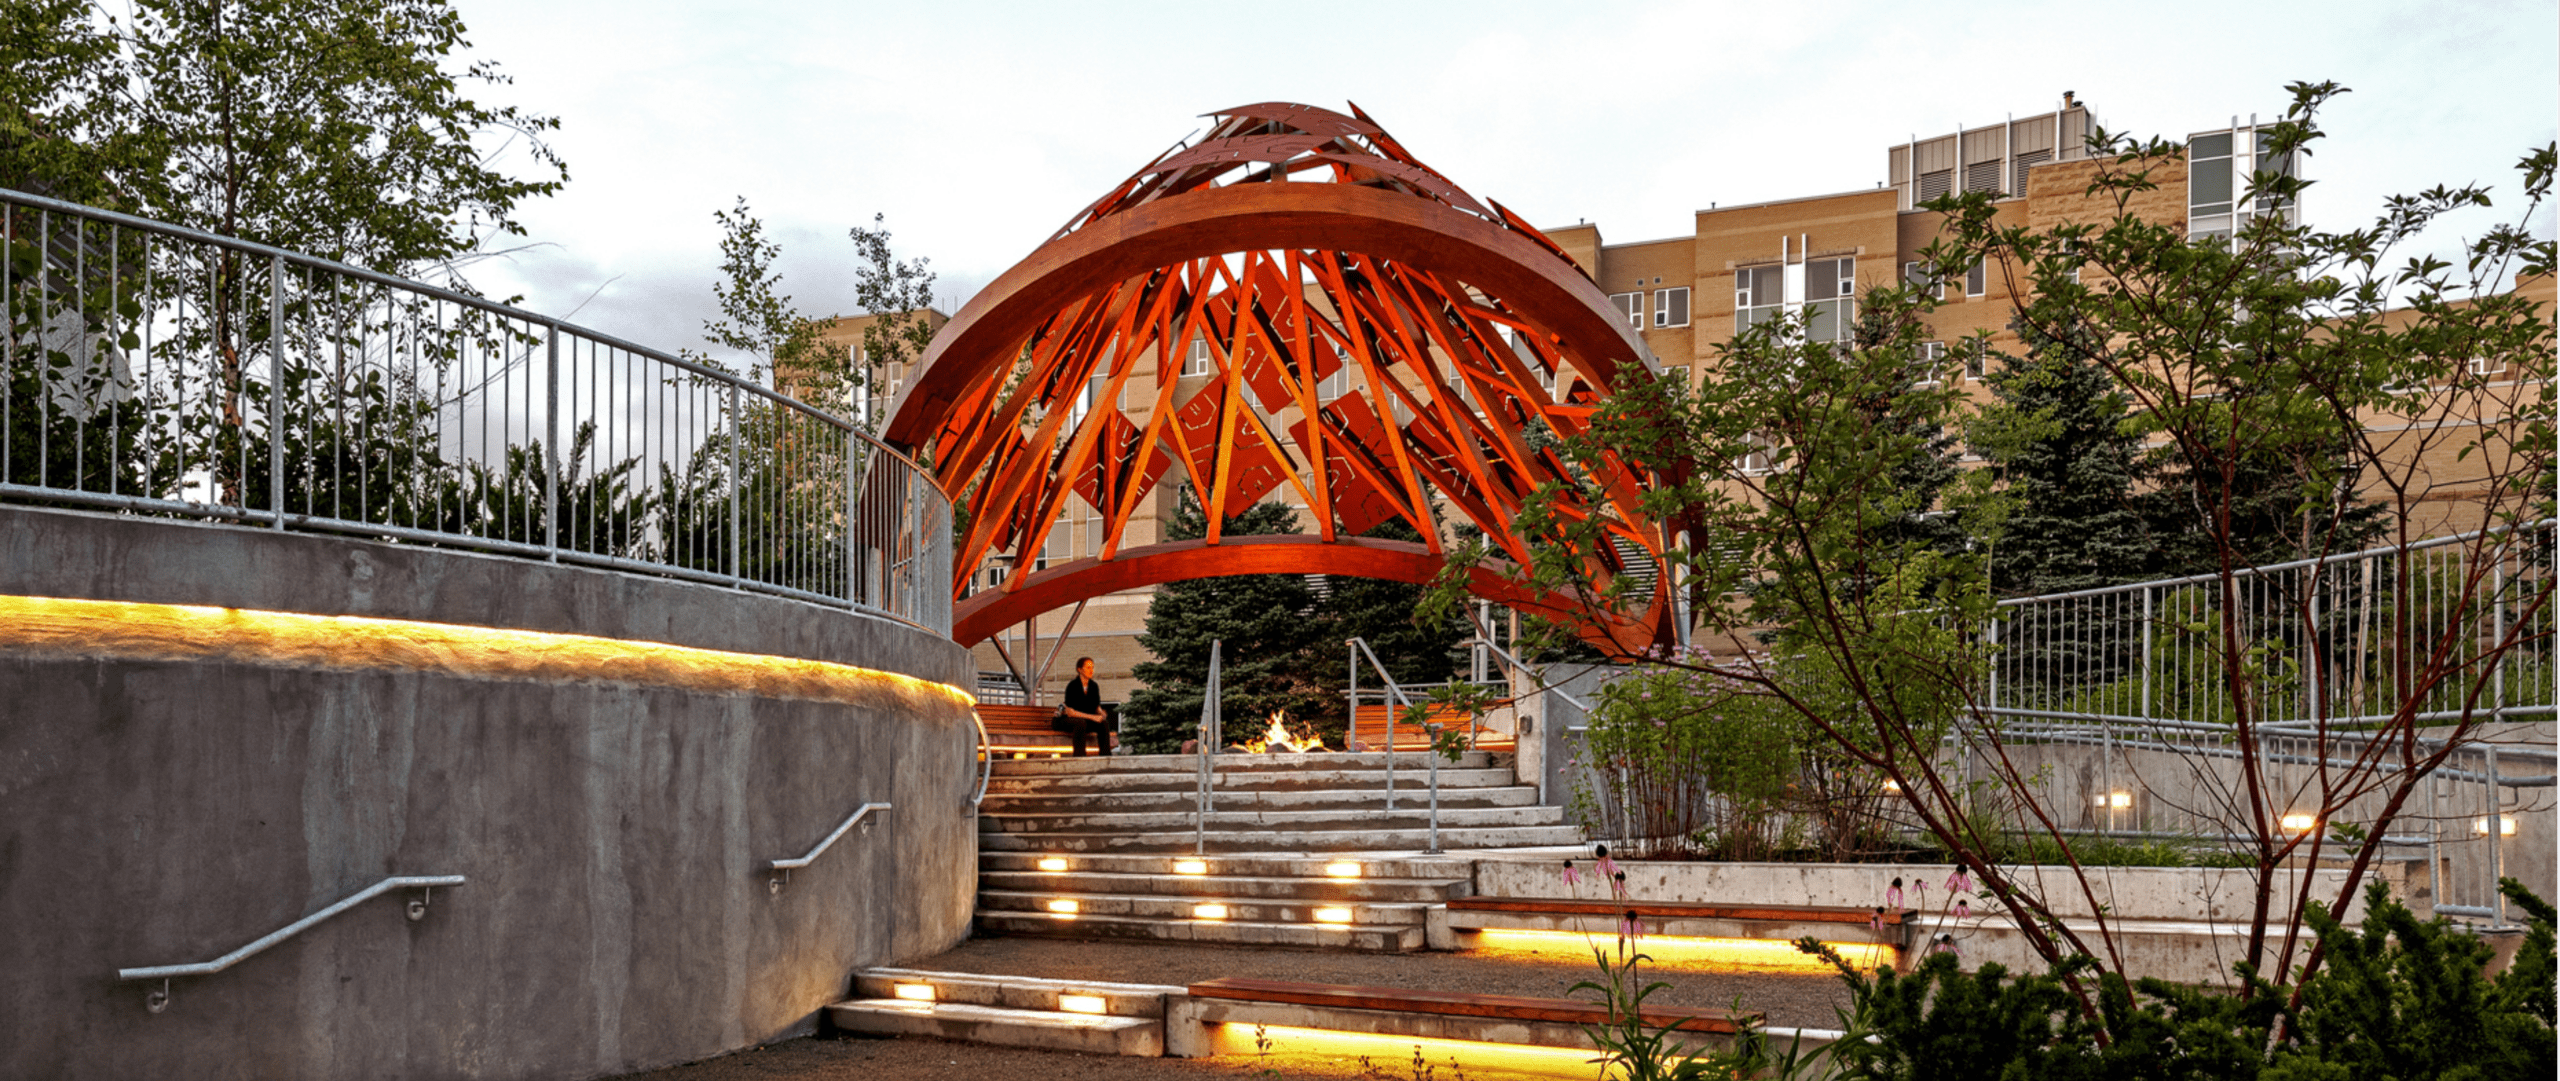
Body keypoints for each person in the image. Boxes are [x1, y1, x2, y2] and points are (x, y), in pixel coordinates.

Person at [1060, 656, 1115, 756]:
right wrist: (1093, 717)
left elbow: (1096, 706)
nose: (1091, 670)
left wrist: (1101, 713)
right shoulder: (1072, 686)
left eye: (1092, 668)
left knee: (1103, 723)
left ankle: (1105, 756)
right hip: (1069, 720)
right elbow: (1071, 712)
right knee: (1080, 723)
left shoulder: (1094, 686)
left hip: (1085, 721)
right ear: (1079, 670)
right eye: (1088, 668)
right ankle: (1080, 757)